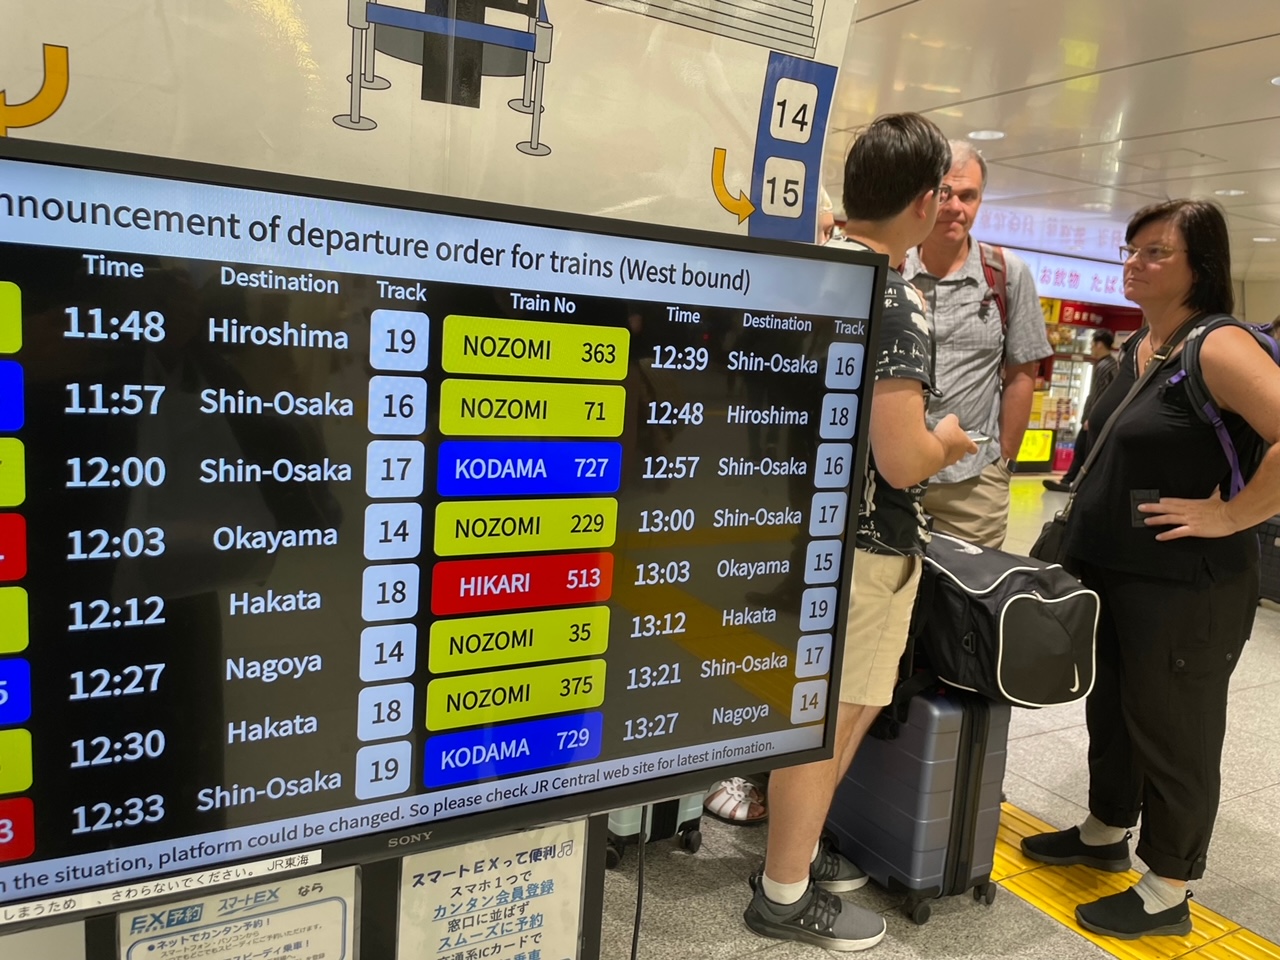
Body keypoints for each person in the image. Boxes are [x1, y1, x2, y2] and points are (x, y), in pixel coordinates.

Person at [743, 113, 976, 952]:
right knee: (830, 717)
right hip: (864, 546)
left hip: (789, 529)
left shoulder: (805, 274)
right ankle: (784, 891)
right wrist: (950, 438)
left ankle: (788, 857)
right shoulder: (890, 299)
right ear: (924, 202)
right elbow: (903, 457)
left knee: (816, 708)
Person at [1020, 199, 1280, 939]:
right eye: (1131, 249)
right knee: (1118, 712)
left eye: (1156, 252)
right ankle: (1106, 830)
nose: (1134, 262)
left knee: (1176, 730)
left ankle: (1168, 886)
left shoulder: (1219, 346)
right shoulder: (1145, 347)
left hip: (1187, 585)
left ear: (1202, 267)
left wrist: (1230, 515)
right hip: (1121, 574)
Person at [903, 142, 1052, 547]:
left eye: (968, 196)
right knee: (889, 589)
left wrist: (1004, 459)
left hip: (973, 480)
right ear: (925, 195)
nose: (955, 207)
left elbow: (1022, 372)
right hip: (895, 469)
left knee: (967, 599)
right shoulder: (894, 270)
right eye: (945, 193)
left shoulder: (1006, 274)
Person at [1043, 329, 1119, 492]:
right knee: (1085, 451)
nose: (1091, 348)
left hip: (1095, 419)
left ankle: (1070, 481)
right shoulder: (1113, 365)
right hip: (1103, 419)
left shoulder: (1103, 367)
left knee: (1081, 449)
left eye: (1092, 344)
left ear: (1099, 344)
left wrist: (1090, 418)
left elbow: (1099, 395)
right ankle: (1073, 481)